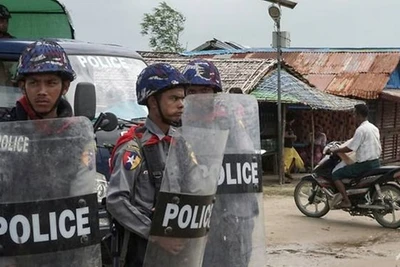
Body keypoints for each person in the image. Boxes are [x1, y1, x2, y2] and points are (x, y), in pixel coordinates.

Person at [2, 40, 99, 266]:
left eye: (51, 82)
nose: (42, 91)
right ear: (22, 86)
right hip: (11, 242)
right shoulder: (4, 130)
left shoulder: (77, 135)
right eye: (34, 82)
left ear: (65, 87)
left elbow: (82, 193)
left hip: (62, 241)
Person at [106, 63, 188, 267]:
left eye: (182, 98)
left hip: (177, 250)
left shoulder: (180, 143)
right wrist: (154, 234)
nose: (181, 105)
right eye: (174, 98)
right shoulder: (133, 147)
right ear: (153, 102)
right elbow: (116, 200)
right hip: (141, 251)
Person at [183, 59, 260, 267]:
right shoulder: (179, 125)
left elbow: (246, 155)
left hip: (234, 212)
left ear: (215, 92)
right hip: (198, 213)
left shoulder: (230, 121)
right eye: (193, 90)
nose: (199, 96)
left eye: (205, 89)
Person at [327, 104, 381, 208]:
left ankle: (346, 201)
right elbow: (357, 143)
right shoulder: (373, 128)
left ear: (359, 115)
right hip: (376, 162)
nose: (353, 116)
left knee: (336, 175)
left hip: (365, 165)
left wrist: (336, 150)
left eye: (354, 114)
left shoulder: (361, 130)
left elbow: (351, 148)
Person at [283, 112, 304, 183]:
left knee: (296, 159)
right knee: (286, 161)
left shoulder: (289, 126)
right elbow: (284, 135)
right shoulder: (286, 126)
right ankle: (286, 175)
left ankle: (287, 173)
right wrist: (293, 136)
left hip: (290, 146)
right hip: (286, 146)